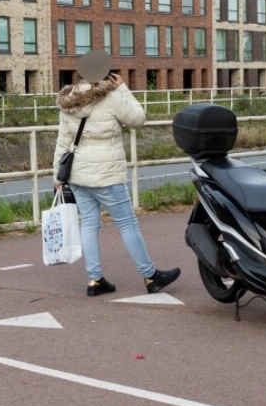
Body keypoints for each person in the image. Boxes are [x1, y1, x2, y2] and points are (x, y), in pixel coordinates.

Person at [53, 59, 180, 297]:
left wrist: (57, 176)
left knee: (89, 224)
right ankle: (150, 276)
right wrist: (123, 89)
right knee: (127, 223)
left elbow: (62, 141)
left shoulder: (68, 100)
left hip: (78, 173)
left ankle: (95, 280)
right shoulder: (111, 97)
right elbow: (138, 119)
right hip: (107, 173)